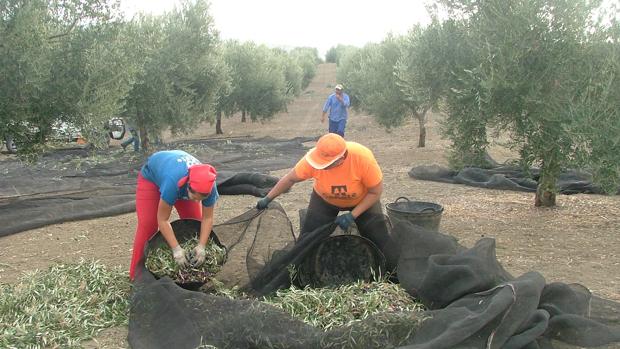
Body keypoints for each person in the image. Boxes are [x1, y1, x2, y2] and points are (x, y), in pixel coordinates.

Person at [256, 133, 397, 270]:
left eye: (326, 164)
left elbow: (375, 192)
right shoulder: (312, 159)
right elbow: (290, 179)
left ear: (341, 159)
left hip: (362, 201)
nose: (320, 167)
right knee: (308, 238)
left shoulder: (362, 159)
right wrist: (268, 198)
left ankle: (391, 273)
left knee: (379, 237)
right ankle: (301, 272)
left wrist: (352, 215)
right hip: (324, 200)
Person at [129, 150, 219, 280]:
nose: (196, 202)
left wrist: (201, 246)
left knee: (194, 223)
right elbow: (163, 220)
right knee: (148, 225)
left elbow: (207, 218)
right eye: (194, 197)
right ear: (188, 186)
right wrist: (176, 249)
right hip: (152, 178)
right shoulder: (172, 182)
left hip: (180, 178)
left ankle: (193, 273)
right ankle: (136, 276)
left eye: (200, 199)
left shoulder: (210, 186)